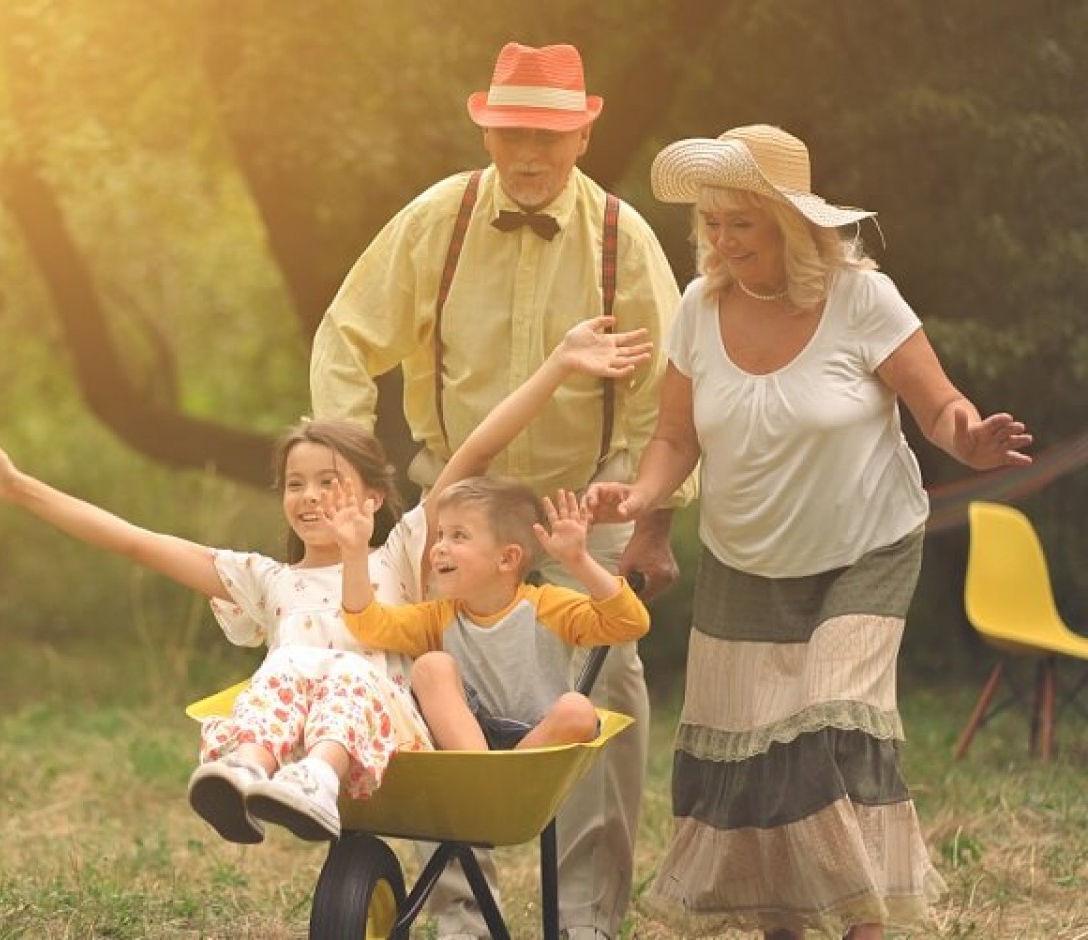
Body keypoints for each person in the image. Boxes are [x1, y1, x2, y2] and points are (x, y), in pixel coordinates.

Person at [587, 124, 1033, 939]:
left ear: (789, 224)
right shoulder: (699, 307)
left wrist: (967, 439)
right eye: (711, 224)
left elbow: (939, 407)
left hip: (865, 549)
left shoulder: (864, 298)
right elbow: (675, 439)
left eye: (740, 224)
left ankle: (864, 923)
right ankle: (785, 923)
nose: (720, 241)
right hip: (745, 562)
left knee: (830, 723)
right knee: (755, 754)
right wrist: (639, 500)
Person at [310, 40, 694, 938]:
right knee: (435, 686)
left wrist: (653, 522)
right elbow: (345, 339)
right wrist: (350, 484)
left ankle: (591, 916)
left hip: (580, 508)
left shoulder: (620, 239)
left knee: (609, 694)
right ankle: (457, 911)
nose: (530, 154)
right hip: (458, 499)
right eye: (514, 133)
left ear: (585, 133)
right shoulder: (435, 222)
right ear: (487, 127)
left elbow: (669, 394)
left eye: (550, 137)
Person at [0, 419, 436, 845]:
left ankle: (320, 777)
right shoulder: (267, 580)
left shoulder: (399, 556)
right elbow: (135, 541)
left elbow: (472, 458)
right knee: (283, 666)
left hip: (391, 734)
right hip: (302, 735)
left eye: (328, 481)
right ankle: (246, 769)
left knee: (343, 668)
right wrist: (19, 489)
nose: (308, 495)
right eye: (295, 483)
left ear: (372, 496)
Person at [332, 317, 654, 754]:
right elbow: (367, 624)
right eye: (441, 533)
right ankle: (481, 774)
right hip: (467, 736)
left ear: (507, 559)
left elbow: (629, 623)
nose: (440, 545)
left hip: (534, 740)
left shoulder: (546, 608)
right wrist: (353, 553)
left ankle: (504, 779)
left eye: (458, 536)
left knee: (578, 709)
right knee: (430, 667)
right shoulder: (438, 617)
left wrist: (579, 562)